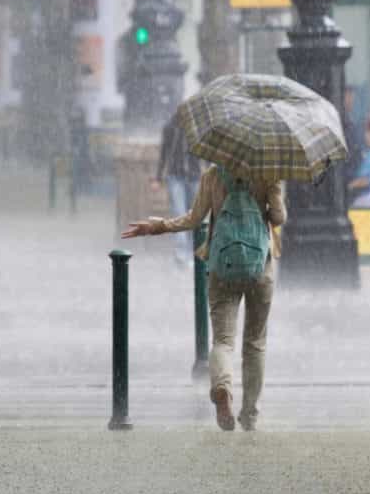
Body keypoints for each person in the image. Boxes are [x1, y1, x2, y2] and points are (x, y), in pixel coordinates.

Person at [122, 165, 286, 432]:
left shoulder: (214, 174)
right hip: (260, 267)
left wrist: (157, 226)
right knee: (255, 343)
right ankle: (250, 415)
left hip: (223, 266)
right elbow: (278, 217)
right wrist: (269, 203)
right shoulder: (268, 172)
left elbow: (194, 219)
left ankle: (222, 386)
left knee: (222, 340)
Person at [152, 112, 203, 267]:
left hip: (193, 177)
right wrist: (159, 177)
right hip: (176, 177)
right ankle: (182, 254)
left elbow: (205, 153)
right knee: (179, 213)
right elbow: (164, 153)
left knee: (193, 215)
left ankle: (192, 251)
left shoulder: (199, 128)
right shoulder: (170, 127)